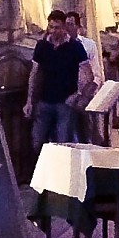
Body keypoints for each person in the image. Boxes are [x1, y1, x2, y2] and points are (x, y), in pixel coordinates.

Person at [27, 10, 92, 146]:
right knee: (37, 142)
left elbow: (88, 75)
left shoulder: (75, 47)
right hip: (44, 101)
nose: (53, 31)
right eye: (51, 27)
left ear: (64, 28)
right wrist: (29, 101)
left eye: (57, 27)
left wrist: (78, 95)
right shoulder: (42, 46)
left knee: (63, 143)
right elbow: (34, 73)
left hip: (65, 103)